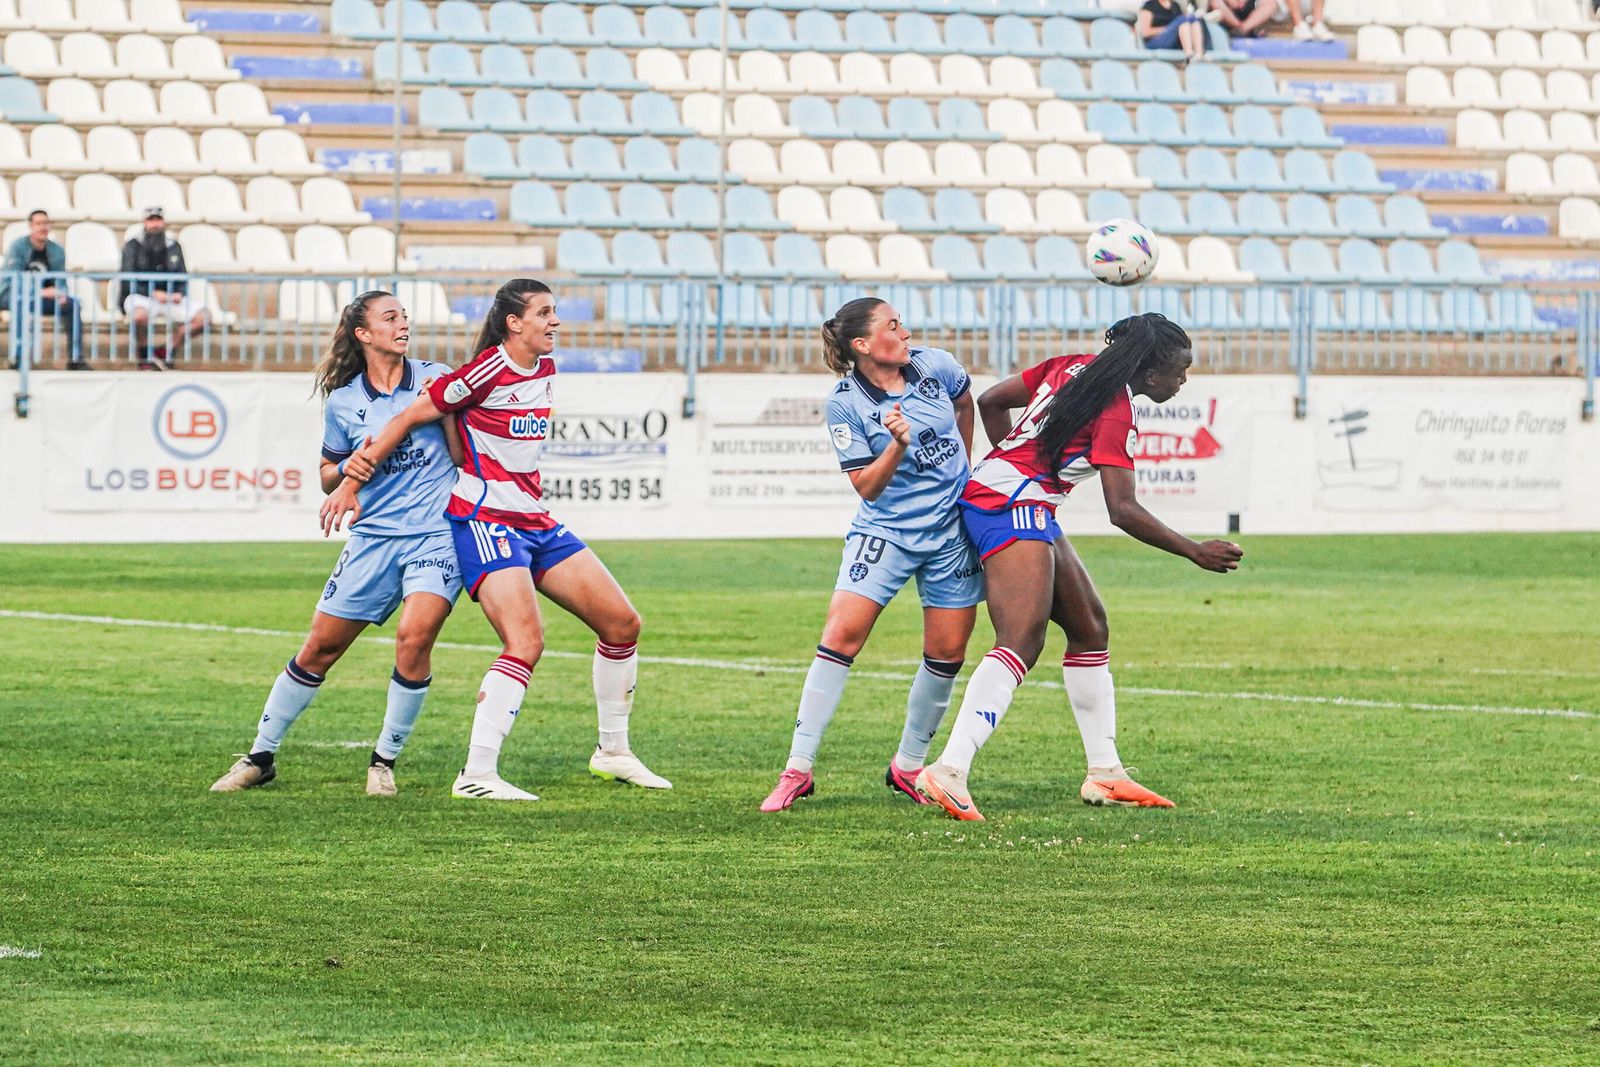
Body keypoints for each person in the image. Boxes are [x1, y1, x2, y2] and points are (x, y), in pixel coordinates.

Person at [319, 279, 671, 801]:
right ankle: (476, 774)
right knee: (525, 642)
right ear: (514, 323)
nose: (555, 322)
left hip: (534, 519)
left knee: (622, 624)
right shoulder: (485, 370)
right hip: (486, 520)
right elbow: (411, 415)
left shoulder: (545, 366)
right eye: (544, 313)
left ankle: (613, 752)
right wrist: (349, 484)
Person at [914, 314, 1244, 822]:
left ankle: (1106, 773)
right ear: (1150, 374)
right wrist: (1194, 551)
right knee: (1021, 641)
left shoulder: (1071, 367)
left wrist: (1015, 464)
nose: (1183, 380)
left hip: (1017, 498)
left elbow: (990, 402)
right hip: (1011, 505)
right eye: (1180, 371)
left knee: (1090, 627)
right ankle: (950, 769)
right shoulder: (1116, 412)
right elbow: (1123, 510)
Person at [211, 291, 464, 797]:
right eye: (390, 318)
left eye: (404, 316)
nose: (403, 323)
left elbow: (461, 456)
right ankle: (261, 756)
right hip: (372, 540)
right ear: (363, 335)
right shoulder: (345, 401)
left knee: (414, 637)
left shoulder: (436, 378)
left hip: (436, 534)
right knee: (319, 649)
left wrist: (449, 415)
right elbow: (327, 475)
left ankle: (383, 762)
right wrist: (348, 470)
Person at [760, 298, 983, 813]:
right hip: (887, 533)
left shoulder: (937, 366)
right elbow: (867, 488)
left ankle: (908, 767)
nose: (906, 332)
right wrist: (897, 447)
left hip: (951, 534)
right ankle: (798, 769)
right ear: (862, 345)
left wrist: (966, 473)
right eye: (893, 325)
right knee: (840, 636)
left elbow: (966, 401)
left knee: (947, 654)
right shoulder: (845, 404)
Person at [117, 206, 209, 369]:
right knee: (139, 317)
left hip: (170, 298)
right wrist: (152, 293)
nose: (155, 225)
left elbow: (182, 274)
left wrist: (179, 293)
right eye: (151, 220)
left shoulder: (174, 246)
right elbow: (127, 279)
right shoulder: (132, 246)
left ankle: (167, 349)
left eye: (158, 220)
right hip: (141, 295)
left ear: (163, 222)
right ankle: (144, 354)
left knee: (204, 317)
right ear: (144, 223)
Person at [2, 210, 85, 369]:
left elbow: (60, 278)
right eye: (38, 223)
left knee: (72, 305)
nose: (42, 227)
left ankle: (76, 358)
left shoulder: (56, 250)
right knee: (20, 301)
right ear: (31, 226)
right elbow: (12, 279)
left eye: (45, 223)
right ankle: (18, 357)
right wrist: (38, 292)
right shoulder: (17, 247)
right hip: (11, 294)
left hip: (42, 299)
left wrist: (61, 293)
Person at [1137, 0, 1208, 60]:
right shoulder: (1149, 5)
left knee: (1192, 20)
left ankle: (1199, 54)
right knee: (1182, 20)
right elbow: (1145, 33)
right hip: (1155, 42)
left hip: (1173, 41)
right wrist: (1166, 29)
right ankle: (1189, 55)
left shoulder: (1175, 5)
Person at [1208, 0, 1279, 38]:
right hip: (1226, 10)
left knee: (1270, 3)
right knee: (1215, 2)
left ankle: (1242, 29)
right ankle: (1242, 29)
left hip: (1249, 6)